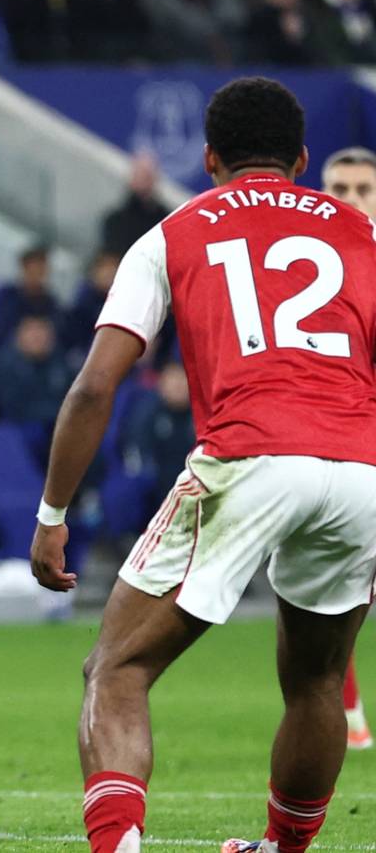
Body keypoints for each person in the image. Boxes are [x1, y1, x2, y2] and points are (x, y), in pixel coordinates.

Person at [29, 77, 376, 853]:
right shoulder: (362, 233)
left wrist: (52, 514)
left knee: (116, 669)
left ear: (211, 156)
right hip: (360, 468)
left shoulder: (172, 233)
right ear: (303, 158)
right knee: (320, 681)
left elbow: (94, 386)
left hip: (251, 453)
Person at [319, 144, 376, 751]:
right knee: (333, 586)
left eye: (363, 190)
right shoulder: (302, 267)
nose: (351, 200)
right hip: (333, 441)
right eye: (340, 189)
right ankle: (349, 710)